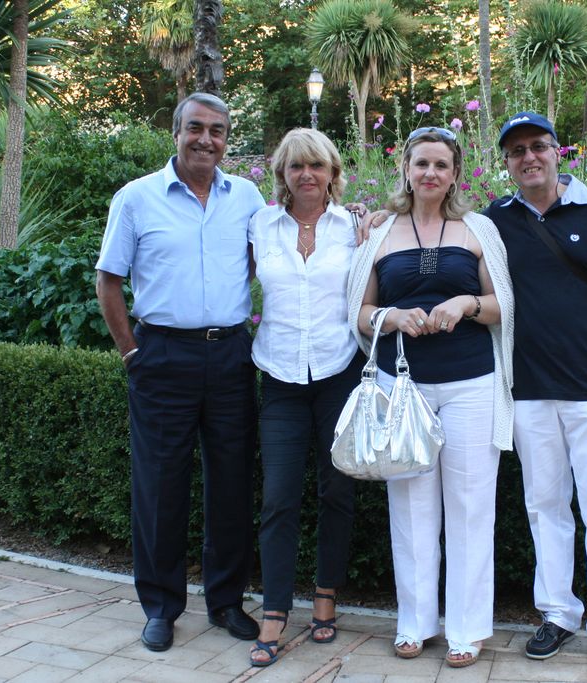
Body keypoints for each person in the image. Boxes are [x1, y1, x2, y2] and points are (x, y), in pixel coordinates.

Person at [96, 92, 263, 653]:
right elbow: (109, 281)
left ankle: (226, 601)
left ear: (226, 139)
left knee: (232, 484)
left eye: (217, 130)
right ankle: (161, 607)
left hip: (231, 355)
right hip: (162, 357)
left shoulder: (247, 197)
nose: (205, 140)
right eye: (196, 128)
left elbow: (268, 258)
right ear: (176, 132)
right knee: (160, 487)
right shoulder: (136, 198)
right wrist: (131, 353)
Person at [346, 127, 515, 668]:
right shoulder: (379, 231)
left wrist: (466, 303)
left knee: (470, 507)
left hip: (471, 384)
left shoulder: (477, 229)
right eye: (421, 163)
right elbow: (358, 311)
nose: (430, 173)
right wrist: (391, 316)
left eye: (441, 165)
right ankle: (415, 623)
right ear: (406, 168)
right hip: (402, 388)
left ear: (455, 173)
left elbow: (503, 306)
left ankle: (467, 628)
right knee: (411, 509)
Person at [484, 112, 587, 676]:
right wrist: (378, 215)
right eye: (517, 151)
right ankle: (557, 613)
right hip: (528, 391)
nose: (528, 157)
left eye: (538, 146)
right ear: (507, 162)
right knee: (545, 508)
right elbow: (441, 228)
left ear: (558, 152)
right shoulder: (495, 219)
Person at [247, 128, 365, 667]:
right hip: (280, 377)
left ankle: (325, 594)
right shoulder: (260, 225)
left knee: (337, 490)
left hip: (339, 372)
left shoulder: (355, 228)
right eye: (296, 166)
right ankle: (274, 608)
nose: (306, 175)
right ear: (282, 175)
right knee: (278, 496)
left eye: (316, 165)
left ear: (332, 173)